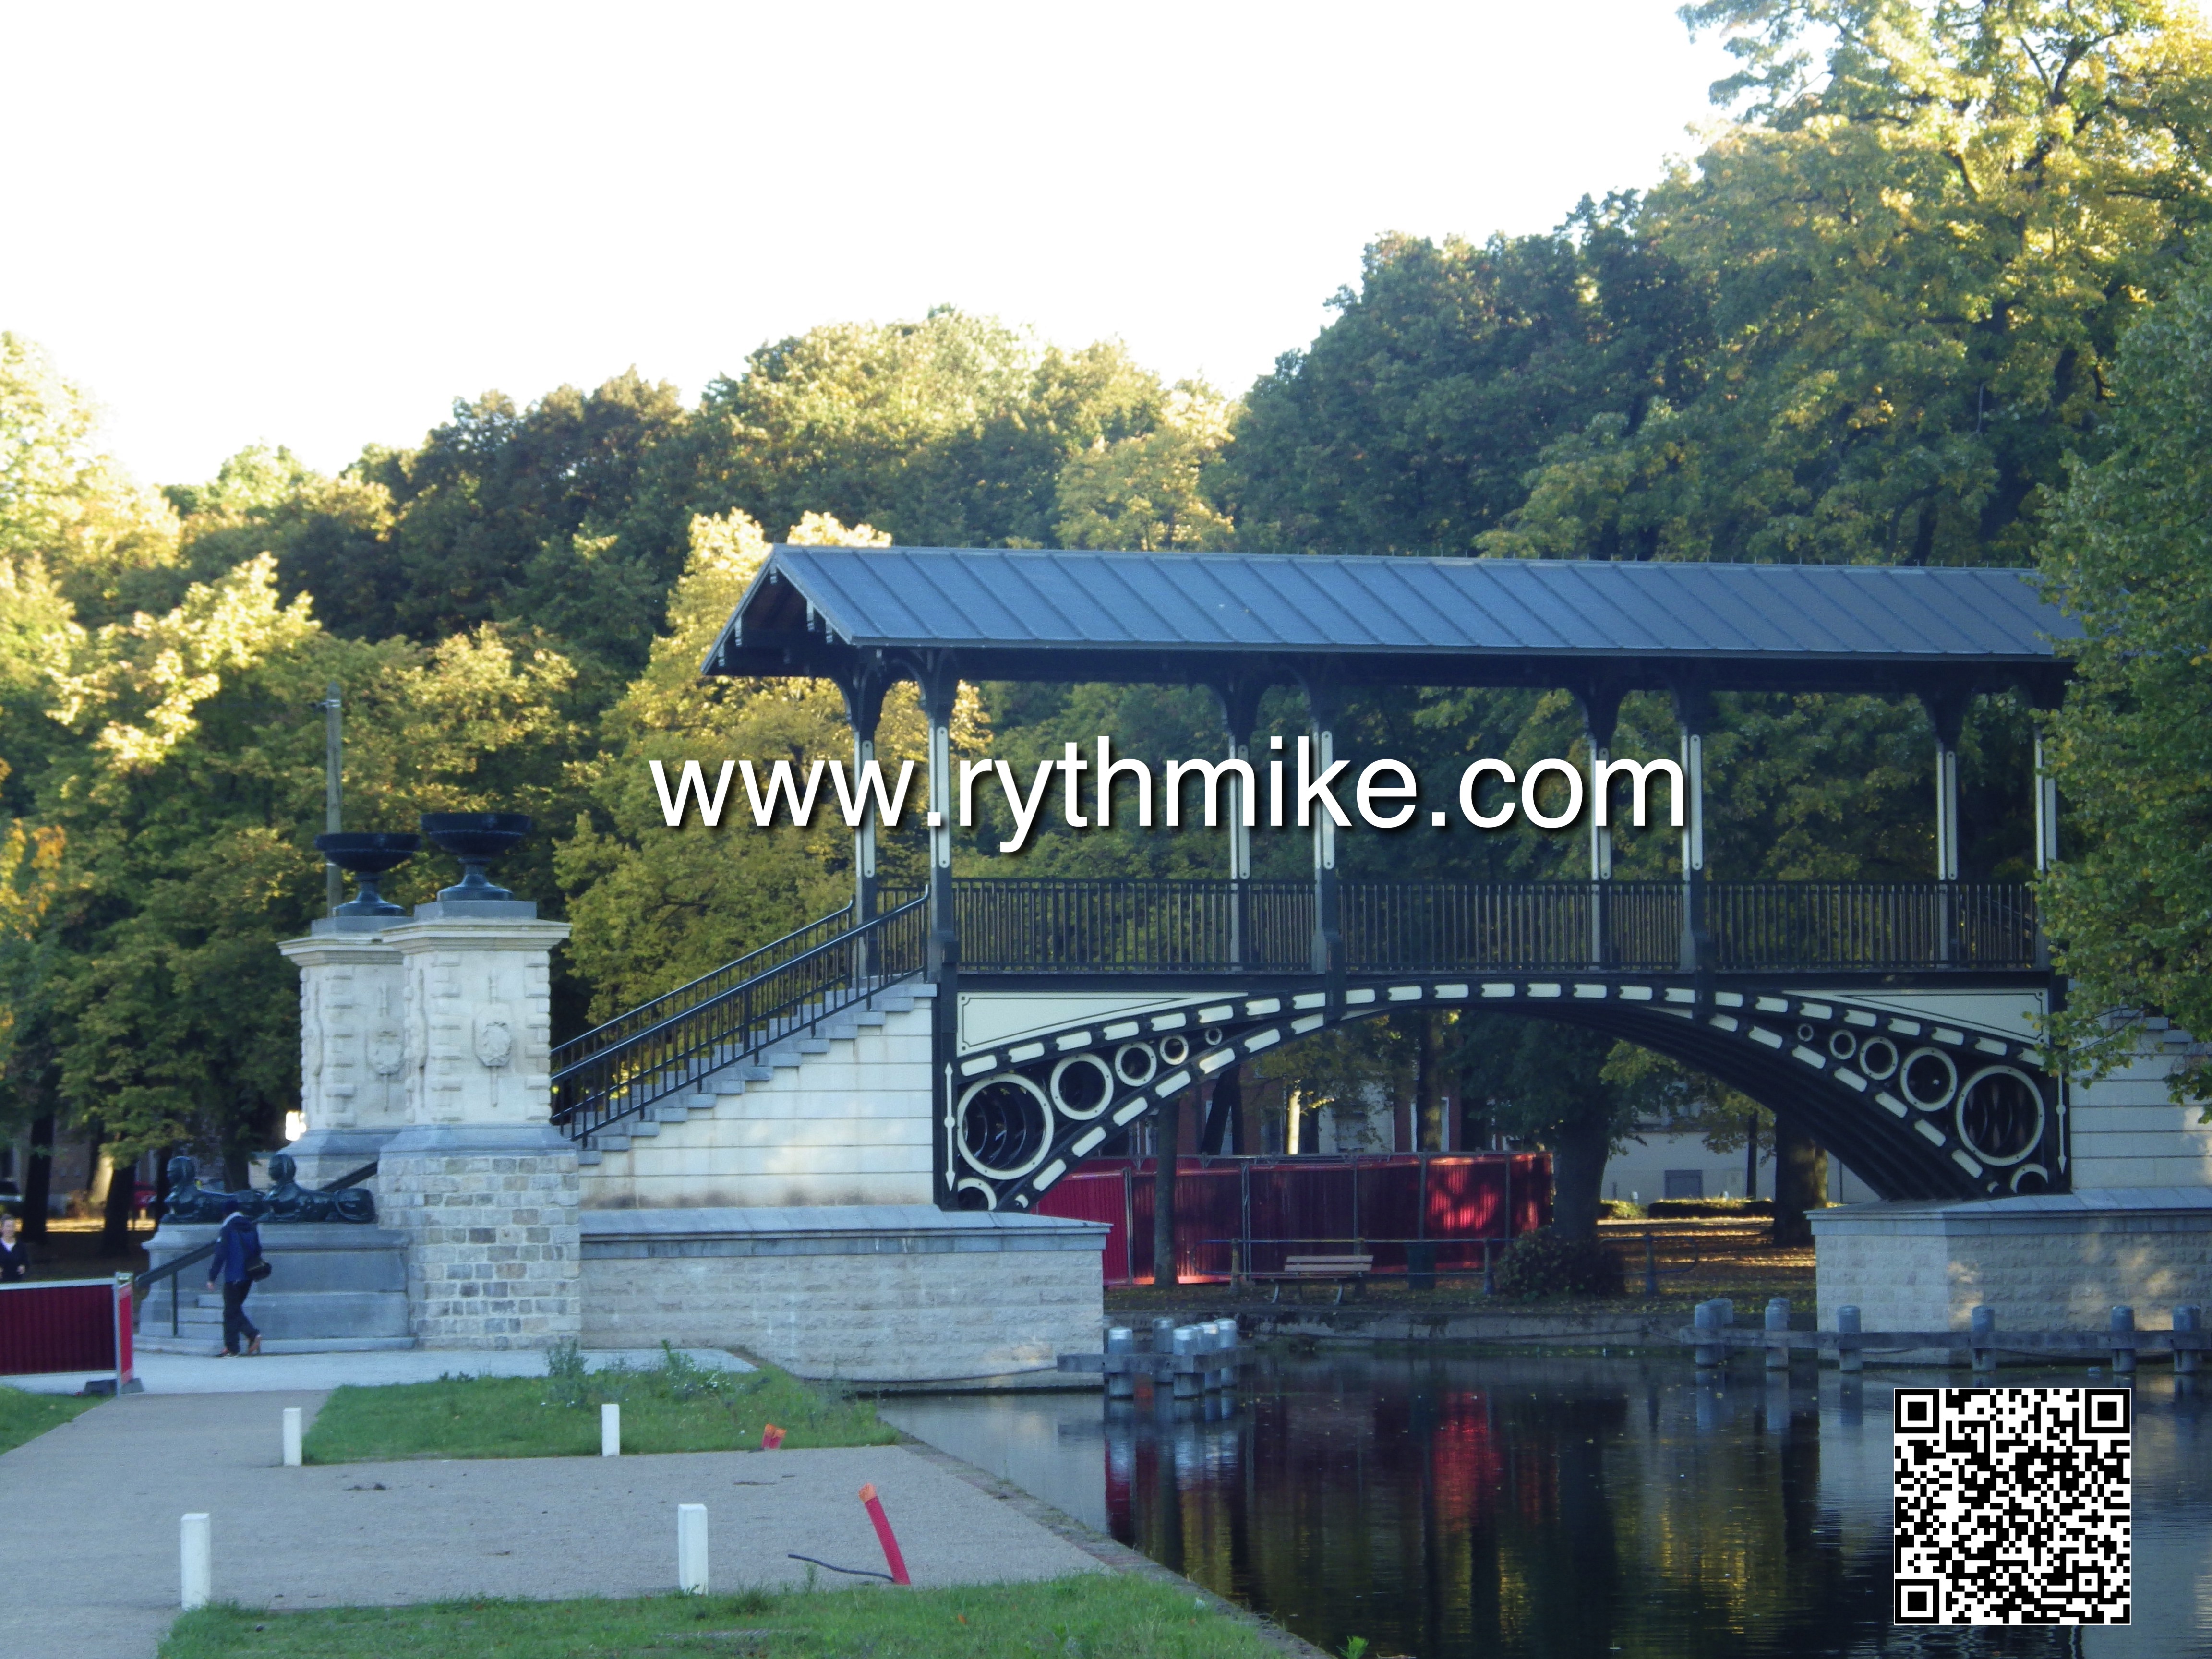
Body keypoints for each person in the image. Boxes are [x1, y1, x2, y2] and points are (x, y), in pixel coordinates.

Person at [205, 1208, 263, 1356]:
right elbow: (258, 1250)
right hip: (248, 1276)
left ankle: (251, 1335)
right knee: (232, 1310)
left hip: (233, 1276)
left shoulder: (227, 1229)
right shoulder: (251, 1227)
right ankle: (232, 1347)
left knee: (232, 1310)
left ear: (225, 1213)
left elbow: (221, 1254)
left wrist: (212, 1277)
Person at [0, 1214, 27, 1282]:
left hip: (17, 1284)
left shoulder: (20, 1246)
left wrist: (23, 1267)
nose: (11, 1229)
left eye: (13, 1227)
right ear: (2, 1229)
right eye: (8, 1227)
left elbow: (26, 1262)